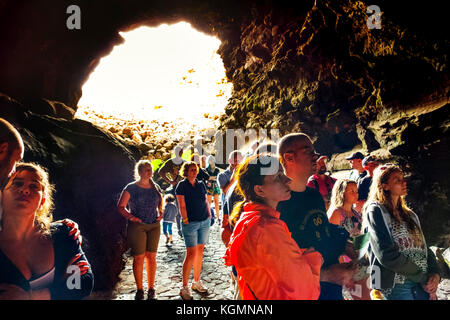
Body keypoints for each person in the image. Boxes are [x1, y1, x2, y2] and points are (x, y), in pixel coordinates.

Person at [223, 154, 323, 300]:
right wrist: (313, 257)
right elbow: (304, 290)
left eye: (283, 174)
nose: (288, 180)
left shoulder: (249, 219)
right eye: (278, 177)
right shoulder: (266, 228)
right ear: (259, 190)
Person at [277, 132, 357, 300]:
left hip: (330, 288)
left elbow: (324, 231)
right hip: (302, 291)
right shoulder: (277, 202)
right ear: (289, 158)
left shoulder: (314, 196)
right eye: (308, 151)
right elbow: (277, 261)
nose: (315, 156)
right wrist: (325, 274)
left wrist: (346, 245)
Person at [0, 162, 93, 299]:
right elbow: (72, 288)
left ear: (43, 200)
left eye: (34, 186)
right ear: (1, 194)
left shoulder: (63, 234)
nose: (25, 190)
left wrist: (29, 297)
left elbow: (82, 285)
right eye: (17, 183)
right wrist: (61, 288)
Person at [362, 164, 441, 300]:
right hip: (396, 284)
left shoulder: (410, 215)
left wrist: (435, 274)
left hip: (421, 282)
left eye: (403, 178)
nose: (404, 182)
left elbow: (424, 248)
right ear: (384, 185)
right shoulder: (376, 210)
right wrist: (422, 277)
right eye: (397, 180)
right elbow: (386, 254)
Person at [117, 160, 163, 300]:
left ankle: (151, 288)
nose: (150, 172)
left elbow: (160, 201)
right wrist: (131, 218)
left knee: (152, 257)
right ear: (140, 172)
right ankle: (140, 289)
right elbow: (121, 206)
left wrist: (161, 212)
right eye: (147, 170)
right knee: (139, 258)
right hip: (138, 226)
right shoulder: (131, 187)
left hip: (154, 225)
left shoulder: (155, 186)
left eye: (151, 169)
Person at [327, 178, 370, 300]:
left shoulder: (357, 213)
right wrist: (343, 270)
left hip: (362, 263)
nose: (356, 194)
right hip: (348, 266)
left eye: (356, 191)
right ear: (341, 193)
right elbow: (332, 245)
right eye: (351, 191)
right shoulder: (336, 213)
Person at [175, 161, 211, 300]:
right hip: (190, 223)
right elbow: (181, 205)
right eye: (191, 170)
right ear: (185, 171)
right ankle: (184, 287)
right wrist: (185, 220)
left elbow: (205, 201)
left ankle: (196, 281)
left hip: (204, 221)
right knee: (191, 253)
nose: (194, 172)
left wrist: (209, 215)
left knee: (200, 250)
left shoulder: (201, 184)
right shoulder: (181, 185)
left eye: (195, 170)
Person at [158, 146, 185, 237]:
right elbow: (161, 172)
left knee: (185, 208)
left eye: (180, 151)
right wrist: (170, 181)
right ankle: (180, 229)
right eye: (178, 151)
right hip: (176, 187)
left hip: (185, 187)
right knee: (178, 208)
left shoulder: (184, 162)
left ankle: (184, 228)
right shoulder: (170, 162)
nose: (179, 153)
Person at [205, 156, 220, 221]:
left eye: (212, 159)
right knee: (209, 202)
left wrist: (211, 177)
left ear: (214, 160)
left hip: (216, 186)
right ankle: (209, 216)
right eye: (209, 159)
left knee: (217, 202)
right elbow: (207, 178)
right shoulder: (206, 169)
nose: (210, 160)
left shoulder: (217, 169)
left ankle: (218, 217)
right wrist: (213, 177)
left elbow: (218, 177)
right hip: (209, 186)